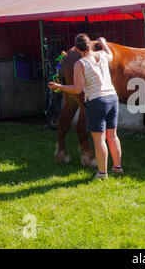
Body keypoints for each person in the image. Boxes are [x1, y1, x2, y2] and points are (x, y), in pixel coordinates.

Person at [48, 34, 122, 180]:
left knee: (99, 140)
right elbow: (111, 56)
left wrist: (59, 86)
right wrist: (104, 43)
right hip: (113, 98)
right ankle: (117, 168)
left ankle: (102, 174)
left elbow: (77, 89)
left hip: (97, 101)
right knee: (113, 136)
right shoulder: (101, 54)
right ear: (90, 45)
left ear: (76, 48)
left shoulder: (80, 64)